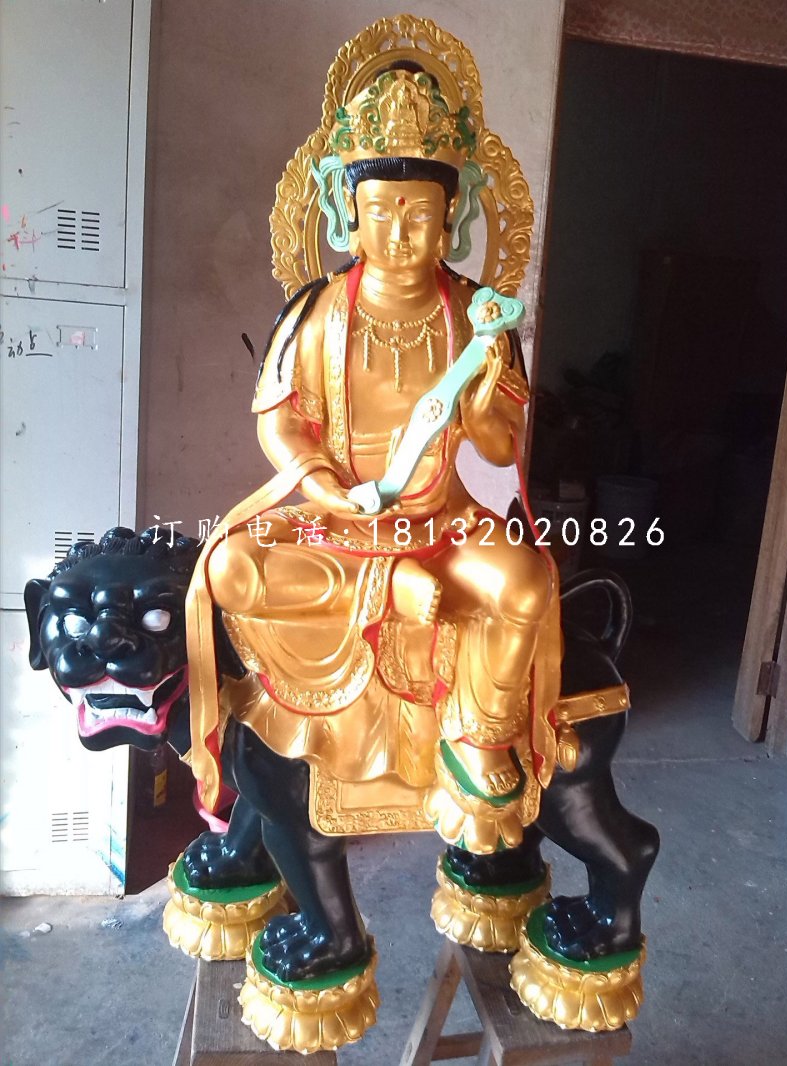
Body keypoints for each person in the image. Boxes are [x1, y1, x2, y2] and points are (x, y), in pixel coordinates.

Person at [186, 68, 561, 852]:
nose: (399, 232)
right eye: (382, 210)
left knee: (525, 582)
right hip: (337, 528)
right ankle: (387, 589)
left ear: (451, 218)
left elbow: (501, 449)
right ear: (347, 213)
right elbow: (281, 426)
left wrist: (479, 401)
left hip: (444, 525)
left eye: (419, 213)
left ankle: (478, 743)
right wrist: (326, 488)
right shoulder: (317, 312)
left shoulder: (478, 322)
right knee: (228, 567)